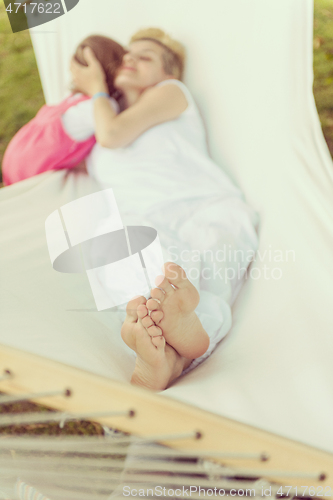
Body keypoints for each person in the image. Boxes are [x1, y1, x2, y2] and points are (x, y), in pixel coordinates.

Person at [70, 28, 259, 391]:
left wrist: (96, 87)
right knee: (119, 239)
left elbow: (112, 135)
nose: (130, 60)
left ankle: (175, 333)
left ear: (167, 73)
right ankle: (167, 354)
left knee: (200, 270)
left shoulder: (171, 93)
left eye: (145, 57)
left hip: (205, 207)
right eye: (127, 55)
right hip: (146, 219)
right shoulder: (98, 122)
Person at [2, 35, 125, 186]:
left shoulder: (74, 99)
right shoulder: (102, 104)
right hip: (32, 170)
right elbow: (116, 128)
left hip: (17, 158)